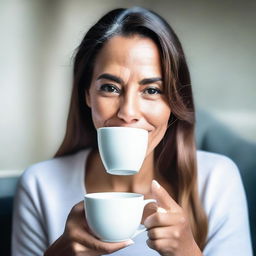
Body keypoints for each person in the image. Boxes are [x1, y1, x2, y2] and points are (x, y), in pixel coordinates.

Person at [12, 6, 252, 256]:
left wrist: (188, 252)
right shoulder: (40, 185)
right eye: (110, 88)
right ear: (87, 95)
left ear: (173, 102)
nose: (128, 112)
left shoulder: (216, 181)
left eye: (151, 90)